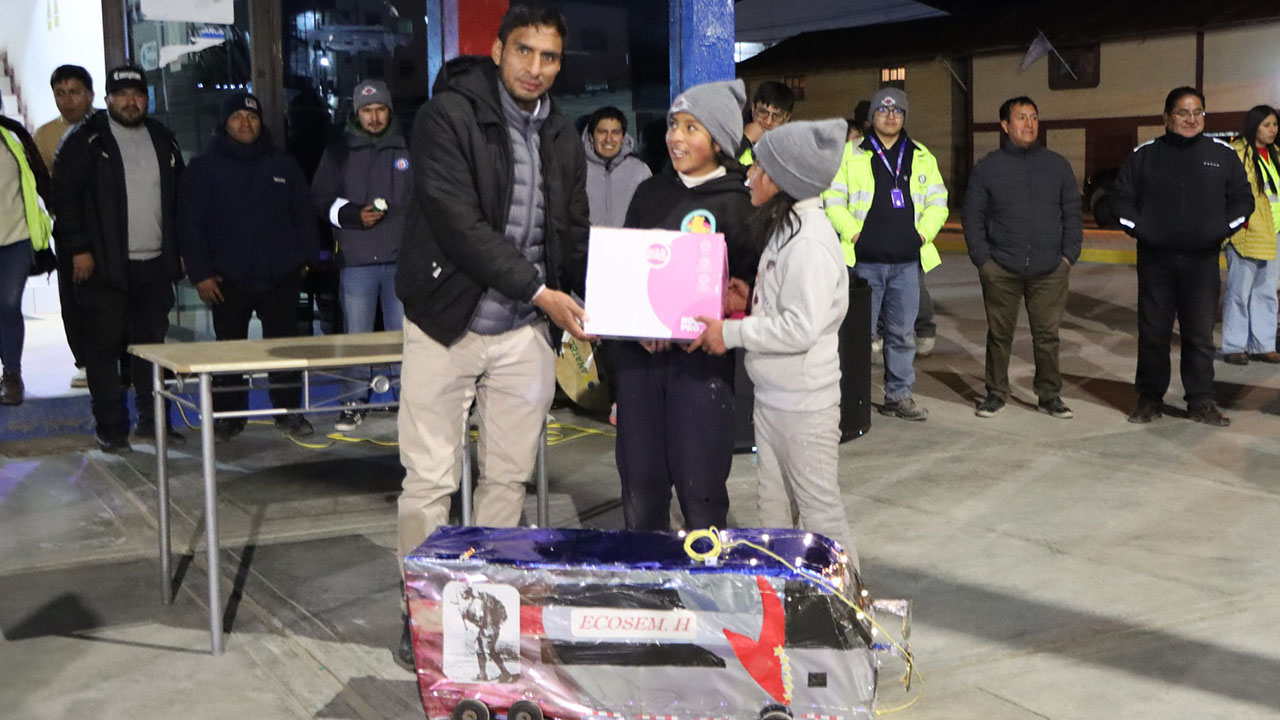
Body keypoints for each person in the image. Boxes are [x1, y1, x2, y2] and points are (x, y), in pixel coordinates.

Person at [394, 3, 589, 664]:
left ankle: (486, 610)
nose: (536, 67)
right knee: (430, 480)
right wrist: (542, 293)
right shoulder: (446, 116)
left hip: (523, 334)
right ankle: (423, 613)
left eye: (549, 56)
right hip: (445, 323)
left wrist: (590, 299)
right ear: (500, 50)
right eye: (524, 51)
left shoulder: (562, 134)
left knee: (506, 480)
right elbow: (459, 224)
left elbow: (572, 228)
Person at [689, 119, 857, 568]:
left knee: (820, 515)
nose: (749, 175)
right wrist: (751, 302)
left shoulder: (811, 242)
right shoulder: (788, 229)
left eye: (759, 167)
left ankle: (847, 600)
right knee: (775, 511)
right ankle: (786, 595)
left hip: (805, 407)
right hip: (775, 399)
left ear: (783, 180)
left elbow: (800, 328)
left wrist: (731, 332)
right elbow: (791, 306)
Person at [613, 78, 757, 531]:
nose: (676, 137)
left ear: (719, 141)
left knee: (702, 486)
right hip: (641, 364)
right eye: (673, 125)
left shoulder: (741, 204)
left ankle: (706, 569)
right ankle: (645, 567)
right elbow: (629, 271)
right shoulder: (650, 194)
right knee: (641, 482)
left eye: (691, 127)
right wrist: (636, 324)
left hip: (700, 369)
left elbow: (751, 289)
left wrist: (732, 311)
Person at [52, 66, 184, 450]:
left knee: (151, 349)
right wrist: (80, 249)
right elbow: (65, 200)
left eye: (137, 95)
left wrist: (180, 252)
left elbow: (180, 199)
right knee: (103, 349)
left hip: (154, 266)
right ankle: (111, 427)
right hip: (104, 267)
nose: (131, 102)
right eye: (122, 95)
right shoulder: (86, 141)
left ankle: (153, 422)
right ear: (107, 99)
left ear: (147, 99)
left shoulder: (163, 139)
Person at [178, 92, 318, 441]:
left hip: (280, 278)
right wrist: (201, 274)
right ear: (225, 123)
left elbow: (304, 214)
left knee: (284, 352)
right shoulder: (204, 168)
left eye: (252, 117)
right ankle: (229, 417)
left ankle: (288, 412)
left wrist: (305, 260)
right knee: (229, 353)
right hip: (226, 280)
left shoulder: (283, 164)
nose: (245, 123)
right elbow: (190, 225)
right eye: (237, 117)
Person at [1111, 86, 1253, 426]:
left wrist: (1220, 229)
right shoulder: (1145, 155)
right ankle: (1149, 398)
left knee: (1200, 336)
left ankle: (1201, 401)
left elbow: (1243, 200)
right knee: (1153, 333)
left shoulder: (1221, 154)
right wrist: (1142, 229)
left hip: (1202, 262)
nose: (1192, 119)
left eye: (1198, 112)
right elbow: (1120, 200)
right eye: (1183, 112)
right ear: (1167, 117)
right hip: (1155, 261)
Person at [822, 87, 948, 421]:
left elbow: (938, 201)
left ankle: (899, 396)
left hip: (906, 263)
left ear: (904, 116)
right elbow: (832, 199)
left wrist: (922, 235)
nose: (890, 116)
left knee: (902, 335)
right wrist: (854, 233)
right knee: (857, 336)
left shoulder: (920, 155)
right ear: (871, 117)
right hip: (863, 262)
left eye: (897, 111)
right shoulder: (849, 153)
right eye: (883, 110)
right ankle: (852, 399)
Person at [964, 96, 1081, 419]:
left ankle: (1049, 395)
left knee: (1047, 336)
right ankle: (995, 392)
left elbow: (1072, 214)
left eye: (1033, 117)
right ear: (1005, 125)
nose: (1029, 124)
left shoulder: (1057, 166)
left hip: (1050, 269)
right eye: (1021, 118)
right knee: (999, 335)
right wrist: (983, 261)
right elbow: (973, 218)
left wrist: (1068, 256)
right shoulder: (988, 168)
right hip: (1001, 267)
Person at [310, 79, 410, 431]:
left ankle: (406, 401)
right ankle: (353, 402)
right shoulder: (338, 152)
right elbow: (320, 200)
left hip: (401, 261)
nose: (374, 117)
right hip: (356, 261)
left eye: (380, 109)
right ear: (356, 113)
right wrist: (353, 215)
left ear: (389, 111)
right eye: (367, 110)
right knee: (357, 337)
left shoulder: (409, 148)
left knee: (403, 337)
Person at [35, 65, 97, 390]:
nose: (67, 100)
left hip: (109, 225)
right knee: (74, 297)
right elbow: (41, 182)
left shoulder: (106, 127)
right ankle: (84, 361)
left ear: (90, 94)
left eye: (74, 92)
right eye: (60, 93)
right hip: (69, 229)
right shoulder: (44, 136)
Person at [0, 106, 53, 406]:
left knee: (8, 304)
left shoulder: (13, 135)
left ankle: (12, 375)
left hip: (17, 237)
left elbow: (39, 179)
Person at [1221, 105, 1280, 366]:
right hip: (1247, 232)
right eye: (1267, 125)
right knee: (1239, 292)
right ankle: (1234, 346)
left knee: (1266, 291)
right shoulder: (1237, 153)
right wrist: (1239, 223)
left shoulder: (1276, 154)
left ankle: (1263, 345)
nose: (1272, 130)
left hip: (1274, 232)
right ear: (1254, 126)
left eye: (1275, 125)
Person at [582, 105, 650, 228]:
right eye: (602, 132)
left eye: (615, 133)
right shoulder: (577, 169)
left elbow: (651, 214)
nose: (608, 139)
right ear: (591, 137)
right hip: (586, 240)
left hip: (628, 240)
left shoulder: (640, 171)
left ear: (623, 137)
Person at [738, 80, 793, 166]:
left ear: (787, 118)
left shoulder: (795, 145)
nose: (768, 122)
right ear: (753, 109)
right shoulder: (732, 133)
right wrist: (744, 141)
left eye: (776, 116)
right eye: (763, 112)